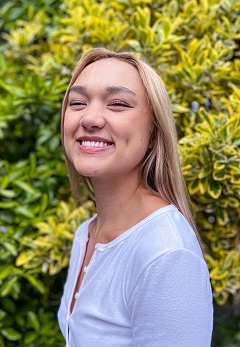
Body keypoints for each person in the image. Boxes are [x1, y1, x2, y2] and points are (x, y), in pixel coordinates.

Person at [58, 48, 213, 347]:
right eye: (77, 103)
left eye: (117, 103)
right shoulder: (85, 235)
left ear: (154, 131)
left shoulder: (166, 254)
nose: (90, 118)